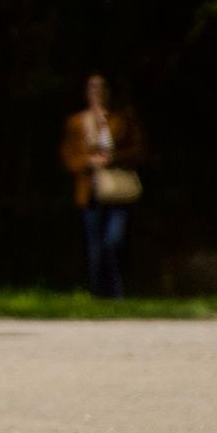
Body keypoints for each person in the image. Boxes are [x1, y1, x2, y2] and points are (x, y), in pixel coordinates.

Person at [61, 73, 143, 300]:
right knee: (94, 244)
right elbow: (68, 156)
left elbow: (138, 150)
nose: (97, 91)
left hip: (118, 188)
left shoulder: (123, 117)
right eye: (93, 87)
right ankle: (97, 293)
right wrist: (88, 161)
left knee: (114, 240)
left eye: (101, 87)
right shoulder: (78, 121)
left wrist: (114, 158)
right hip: (90, 189)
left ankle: (118, 292)